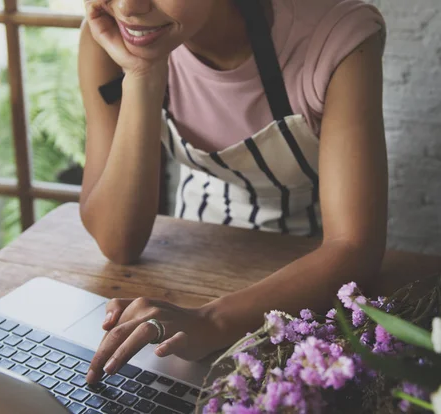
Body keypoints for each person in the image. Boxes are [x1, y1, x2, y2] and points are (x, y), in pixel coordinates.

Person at [78, 0, 388, 385]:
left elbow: (354, 247)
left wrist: (211, 320)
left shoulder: (337, 37)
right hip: (182, 267)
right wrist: (142, 75)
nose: (127, 6)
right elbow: (118, 241)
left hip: (307, 280)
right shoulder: (113, 35)